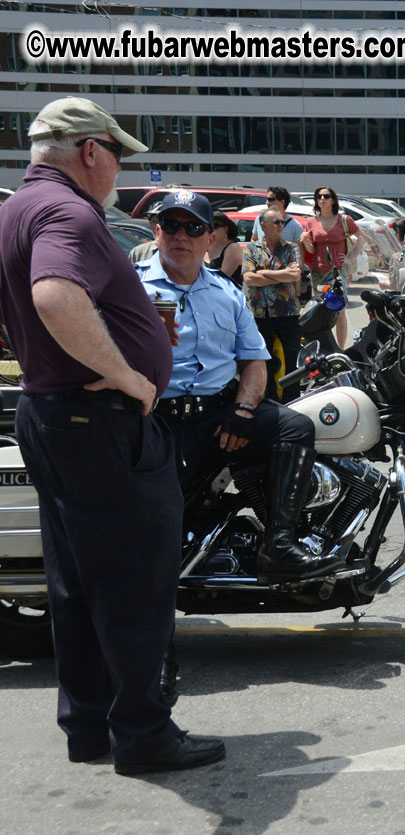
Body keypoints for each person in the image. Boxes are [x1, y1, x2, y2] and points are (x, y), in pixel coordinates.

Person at [0, 97, 223, 774]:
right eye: (117, 155)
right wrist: (126, 372)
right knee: (133, 582)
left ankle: (90, 727)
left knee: (77, 583)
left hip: (51, 413)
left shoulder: (14, 208)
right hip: (97, 424)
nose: (120, 171)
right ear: (91, 151)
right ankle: (143, 733)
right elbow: (54, 295)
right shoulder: (68, 211)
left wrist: (67, 352)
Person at [139, 190, 345, 585]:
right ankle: (155, 640)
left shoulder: (228, 293)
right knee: (157, 531)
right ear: (156, 230)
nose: (181, 236)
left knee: (295, 425)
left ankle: (279, 543)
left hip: (219, 416)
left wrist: (244, 409)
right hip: (158, 424)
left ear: (210, 240)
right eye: (171, 225)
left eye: (194, 227)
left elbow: (254, 360)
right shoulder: (130, 288)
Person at [242, 207, 304, 402]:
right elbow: (249, 279)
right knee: (264, 361)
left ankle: (291, 400)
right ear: (263, 226)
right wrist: (281, 275)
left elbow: (294, 275)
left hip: (288, 313)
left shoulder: (291, 248)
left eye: (282, 222)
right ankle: (267, 401)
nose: (280, 226)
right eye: (276, 222)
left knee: (292, 358)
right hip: (261, 315)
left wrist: (263, 274)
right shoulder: (251, 249)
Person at [299, 186, 362, 349]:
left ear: (333, 200)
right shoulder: (312, 222)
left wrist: (350, 257)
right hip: (319, 272)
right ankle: (324, 347)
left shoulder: (344, 220)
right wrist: (306, 241)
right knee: (320, 309)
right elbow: (312, 249)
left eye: (326, 196)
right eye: (318, 196)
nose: (322, 199)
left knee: (339, 311)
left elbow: (363, 237)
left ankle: (342, 349)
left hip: (338, 273)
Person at [206, 211, 243, 287]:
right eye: (207, 226)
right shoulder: (206, 247)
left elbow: (222, 279)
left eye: (215, 226)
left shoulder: (233, 248)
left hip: (229, 296)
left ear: (226, 229)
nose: (210, 230)